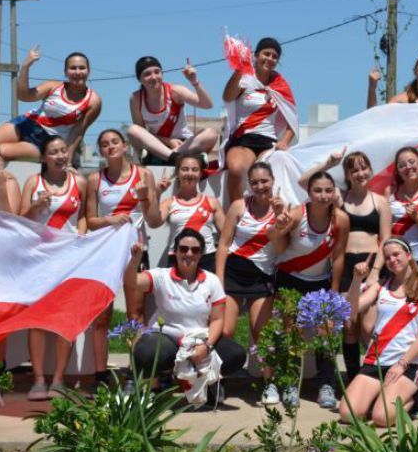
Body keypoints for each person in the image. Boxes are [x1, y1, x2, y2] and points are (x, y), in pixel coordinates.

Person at [124, 229, 247, 405]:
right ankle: (153, 387)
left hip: (200, 339)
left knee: (236, 355)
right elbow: (131, 282)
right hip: (168, 337)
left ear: (201, 254)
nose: (189, 253)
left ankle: (207, 383)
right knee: (145, 352)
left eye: (195, 250)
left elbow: (218, 319)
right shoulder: (161, 275)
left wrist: (207, 346)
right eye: (183, 249)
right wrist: (135, 261)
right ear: (175, 251)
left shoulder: (212, 281)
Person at [299, 150, 392, 384]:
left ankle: (373, 377)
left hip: (372, 265)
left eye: (364, 167)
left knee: (369, 327)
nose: (360, 173)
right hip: (347, 266)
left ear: (370, 169)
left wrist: (375, 272)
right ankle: (352, 380)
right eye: (354, 170)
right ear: (348, 175)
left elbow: (387, 240)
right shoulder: (340, 198)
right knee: (349, 326)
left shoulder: (380, 201)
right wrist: (329, 162)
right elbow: (304, 182)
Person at [86, 129, 162, 388]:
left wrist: (143, 198)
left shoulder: (144, 175)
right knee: (101, 317)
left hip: (135, 250)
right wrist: (108, 220)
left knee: (135, 313)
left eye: (114, 142)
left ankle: (134, 372)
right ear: (101, 150)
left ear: (125, 145)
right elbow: (89, 220)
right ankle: (99, 376)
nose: (110, 147)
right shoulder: (96, 179)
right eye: (104, 144)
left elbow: (153, 220)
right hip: (105, 252)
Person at [269, 170, 349, 409]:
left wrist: (334, 291)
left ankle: (326, 385)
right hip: (290, 279)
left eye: (328, 190)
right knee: (291, 333)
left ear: (334, 192)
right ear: (308, 192)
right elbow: (275, 240)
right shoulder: (296, 214)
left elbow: (339, 256)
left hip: (321, 283)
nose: (323, 195)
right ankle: (291, 384)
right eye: (318, 190)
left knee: (327, 334)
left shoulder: (341, 219)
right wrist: (279, 225)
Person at [339, 237, 418, 427]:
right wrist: (356, 280)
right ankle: (382, 394)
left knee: (381, 418)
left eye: (396, 254)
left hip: (406, 363)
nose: (392, 260)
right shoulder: (381, 286)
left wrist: (402, 363)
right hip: (376, 361)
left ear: (408, 255)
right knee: (348, 414)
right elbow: (352, 310)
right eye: (387, 257)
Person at [19, 136, 88, 399]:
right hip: (38, 259)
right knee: (36, 321)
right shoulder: (32, 183)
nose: (60, 156)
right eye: (54, 152)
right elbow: (20, 219)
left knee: (64, 321)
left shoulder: (79, 182)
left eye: (63, 150)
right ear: (43, 158)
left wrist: (80, 241)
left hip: (68, 260)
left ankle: (59, 379)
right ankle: (38, 380)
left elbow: (83, 217)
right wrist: (37, 206)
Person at [215, 162, 280, 397]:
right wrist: (219, 280)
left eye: (265, 181)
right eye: (255, 182)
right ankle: (217, 381)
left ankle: (268, 383)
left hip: (262, 277)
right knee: (225, 331)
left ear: (273, 180)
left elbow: (283, 246)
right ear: (249, 184)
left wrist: (281, 218)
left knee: (261, 332)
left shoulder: (283, 208)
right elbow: (223, 244)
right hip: (233, 273)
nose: (260, 186)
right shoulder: (238, 206)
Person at [0, 48, 101, 161]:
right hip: (27, 123)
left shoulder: (93, 100)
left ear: (89, 71)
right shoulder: (53, 86)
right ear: (65, 72)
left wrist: (67, 159)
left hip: (46, 141)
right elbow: (23, 96)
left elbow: (78, 131)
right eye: (73, 68)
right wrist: (26, 66)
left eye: (82, 68)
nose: (77, 72)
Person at [222, 37, 297, 204]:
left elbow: (292, 120)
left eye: (274, 56)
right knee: (235, 169)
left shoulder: (281, 85)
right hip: (243, 140)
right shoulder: (244, 79)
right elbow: (227, 97)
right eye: (266, 54)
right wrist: (238, 71)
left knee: (274, 172)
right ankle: (237, 213)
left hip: (268, 142)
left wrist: (284, 141)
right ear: (256, 55)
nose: (270, 59)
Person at [126, 56, 219, 165]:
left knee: (211, 133)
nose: (154, 77)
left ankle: (169, 158)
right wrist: (168, 141)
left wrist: (194, 82)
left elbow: (207, 105)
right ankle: (174, 157)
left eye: (157, 72)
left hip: (183, 145)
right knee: (132, 130)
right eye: (147, 74)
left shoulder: (175, 91)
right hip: (157, 146)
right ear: (139, 79)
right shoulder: (136, 98)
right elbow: (141, 132)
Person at [157, 154, 224, 271]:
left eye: (195, 169)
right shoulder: (168, 202)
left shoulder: (212, 202)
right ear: (177, 173)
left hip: (206, 258)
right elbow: (154, 222)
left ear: (200, 174)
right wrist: (157, 193)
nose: (189, 174)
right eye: (184, 169)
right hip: (177, 257)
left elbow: (226, 236)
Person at [384, 147, 418, 266]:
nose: (408, 167)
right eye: (402, 165)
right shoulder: (390, 192)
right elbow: (383, 230)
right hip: (393, 260)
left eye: (412, 162)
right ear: (398, 171)